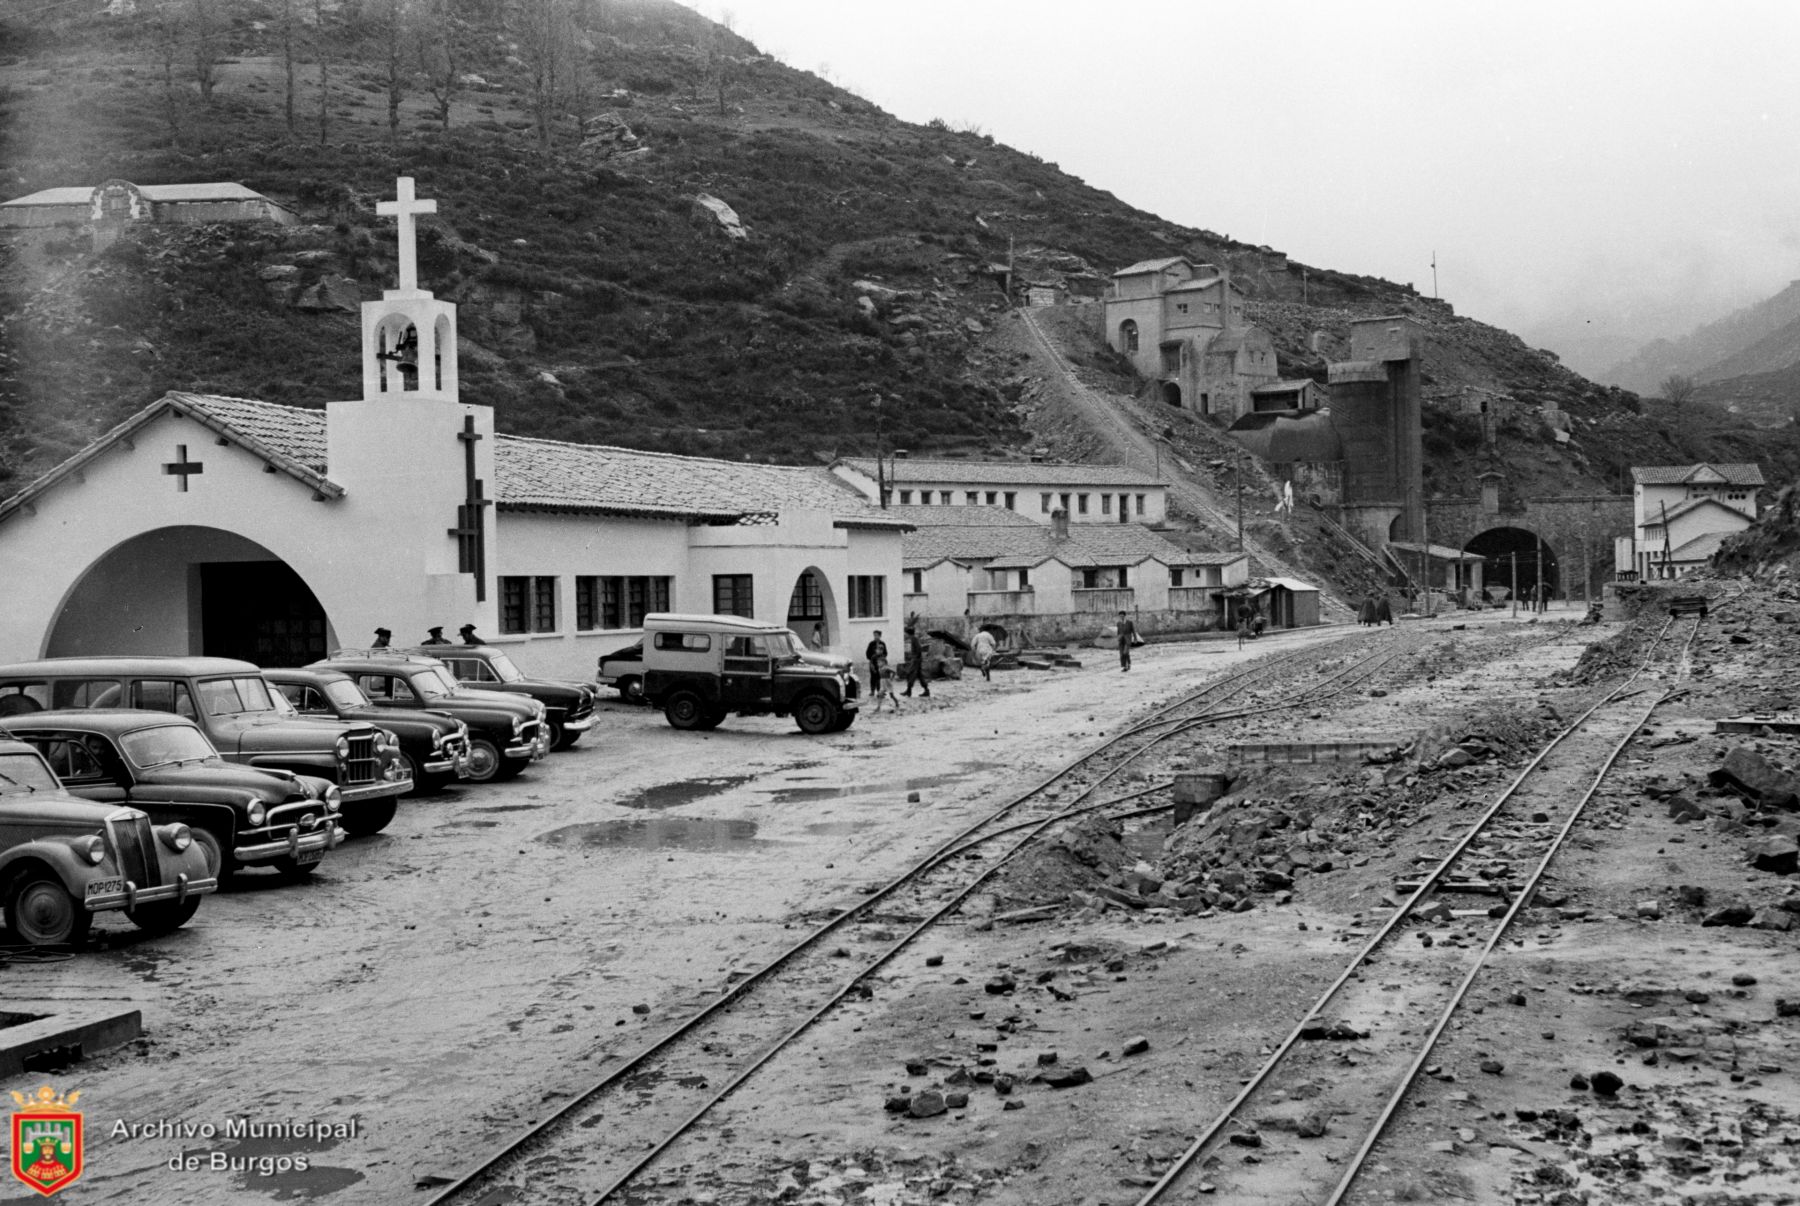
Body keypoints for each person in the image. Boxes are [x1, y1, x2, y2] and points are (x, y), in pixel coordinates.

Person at [901, 627, 931, 697]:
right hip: (917, 660)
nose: (905, 634)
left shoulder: (914, 639)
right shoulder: (913, 639)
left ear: (908, 633)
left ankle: (909, 690)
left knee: (910, 674)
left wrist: (915, 658)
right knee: (920, 676)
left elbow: (919, 649)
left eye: (906, 633)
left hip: (916, 661)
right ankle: (926, 690)